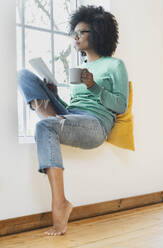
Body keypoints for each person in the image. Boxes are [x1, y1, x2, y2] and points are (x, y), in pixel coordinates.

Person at [17, 5, 129, 236]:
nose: (75, 37)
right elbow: (74, 107)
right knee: (24, 76)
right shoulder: (80, 67)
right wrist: (55, 94)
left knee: (45, 126)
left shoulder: (115, 65)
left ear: (97, 33)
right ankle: (53, 123)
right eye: (74, 33)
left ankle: (60, 203)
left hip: (95, 124)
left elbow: (120, 105)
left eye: (81, 32)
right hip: (72, 115)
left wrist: (94, 86)